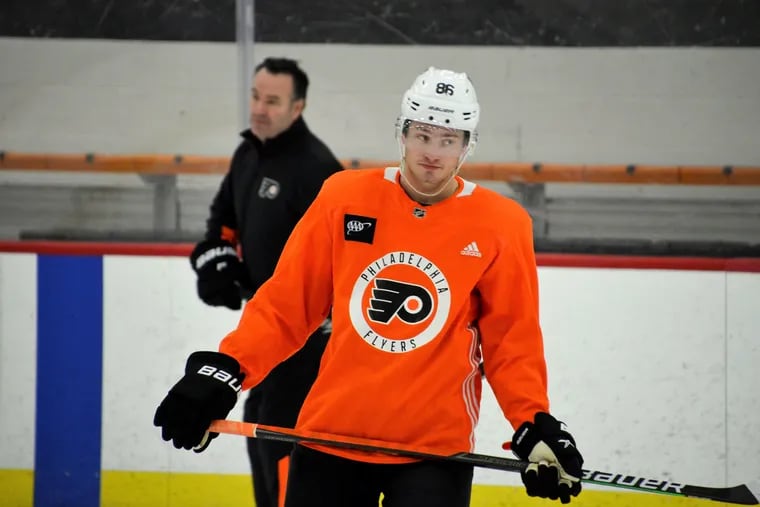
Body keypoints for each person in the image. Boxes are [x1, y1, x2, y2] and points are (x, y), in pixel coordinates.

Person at [155, 66, 584, 506]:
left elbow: (511, 342)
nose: (432, 152)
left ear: (467, 145)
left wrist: (532, 423)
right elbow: (287, 306)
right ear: (401, 132)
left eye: (448, 139)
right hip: (329, 440)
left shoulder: (502, 224)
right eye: (422, 134)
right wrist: (226, 369)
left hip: (433, 454)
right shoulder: (344, 197)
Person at [185, 57, 343, 507]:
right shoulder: (248, 152)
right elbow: (222, 221)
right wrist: (216, 261)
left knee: (284, 445)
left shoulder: (318, 171)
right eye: (255, 96)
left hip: (309, 343)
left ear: (297, 107)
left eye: (272, 101)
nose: (259, 108)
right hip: (264, 335)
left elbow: (339, 261)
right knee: (259, 436)